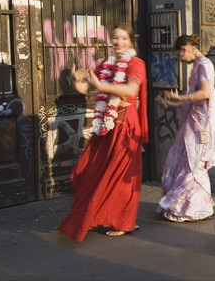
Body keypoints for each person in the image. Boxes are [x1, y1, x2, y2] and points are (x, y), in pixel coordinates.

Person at [58, 23, 148, 241]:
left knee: (120, 175)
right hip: (105, 127)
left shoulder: (136, 63)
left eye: (124, 39)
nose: (119, 43)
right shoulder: (106, 64)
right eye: (115, 38)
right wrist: (76, 79)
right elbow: (87, 88)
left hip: (126, 124)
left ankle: (125, 221)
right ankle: (96, 215)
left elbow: (130, 90)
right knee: (91, 169)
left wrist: (102, 85)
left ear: (131, 42)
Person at [155, 34, 215, 222]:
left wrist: (180, 99)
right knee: (185, 160)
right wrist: (169, 102)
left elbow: (204, 94)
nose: (180, 60)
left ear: (185, 48)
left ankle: (193, 207)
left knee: (194, 162)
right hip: (194, 121)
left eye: (179, 55)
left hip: (202, 125)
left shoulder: (204, 64)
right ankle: (186, 206)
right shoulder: (199, 65)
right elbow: (193, 100)